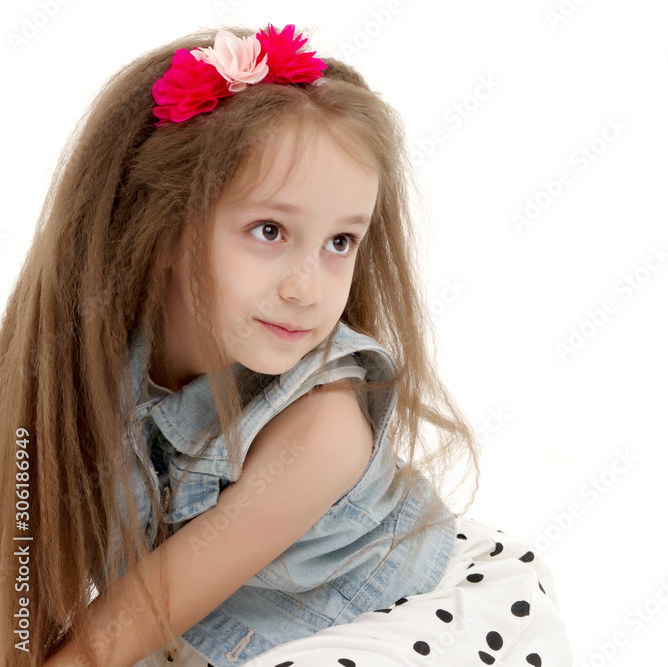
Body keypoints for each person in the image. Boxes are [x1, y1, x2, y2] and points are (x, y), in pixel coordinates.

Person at [0, 23, 572, 667]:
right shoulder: (80, 371)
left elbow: (123, 630)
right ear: (161, 229)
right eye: (269, 230)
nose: (307, 288)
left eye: (340, 242)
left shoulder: (323, 425)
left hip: (422, 626)